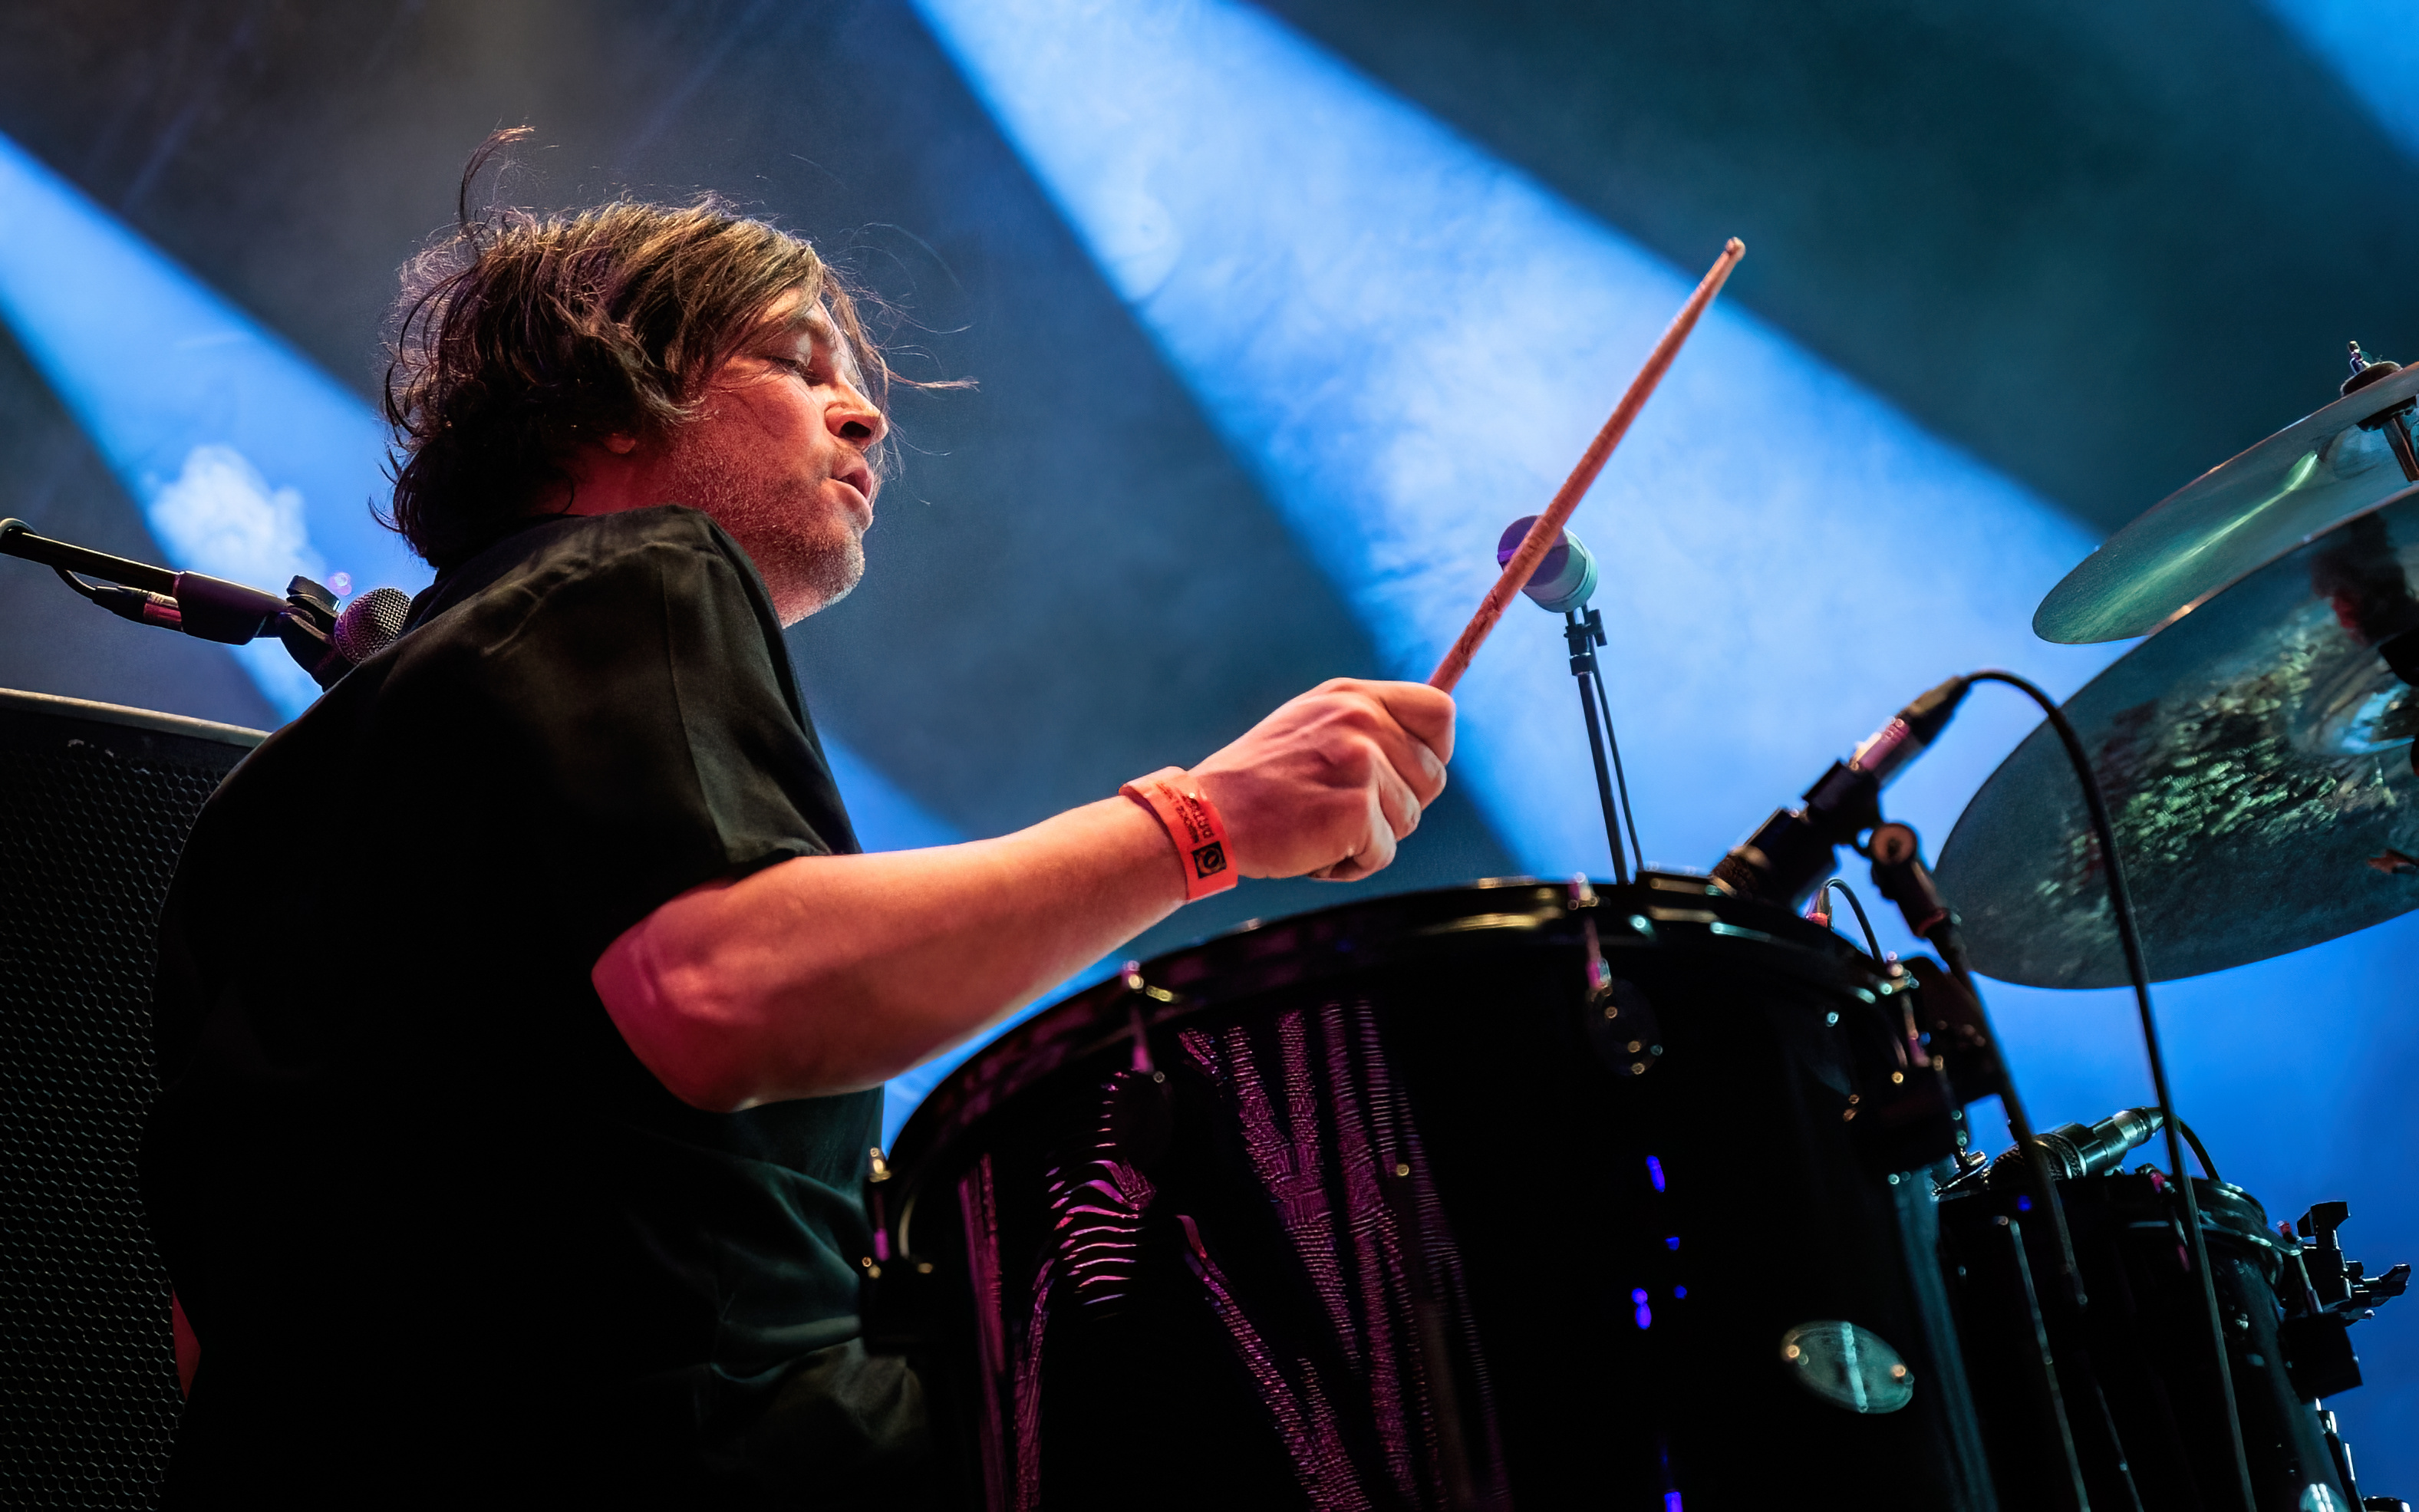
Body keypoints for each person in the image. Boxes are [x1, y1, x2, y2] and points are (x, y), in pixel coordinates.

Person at [139, 166, 1454, 1507]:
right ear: (606, 399)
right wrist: (1207, 821)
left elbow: (206, 1331)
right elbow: (720, 988)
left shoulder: (260, 808)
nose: (865, 412)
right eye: (794, 360)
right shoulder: (643, 567)